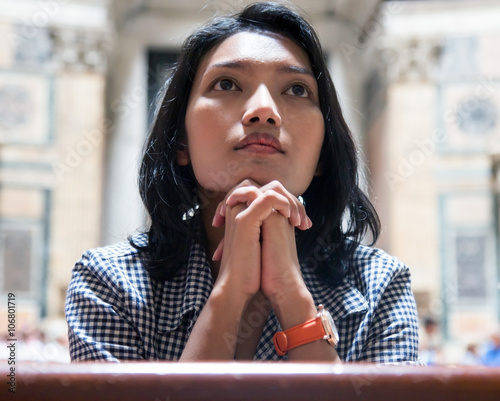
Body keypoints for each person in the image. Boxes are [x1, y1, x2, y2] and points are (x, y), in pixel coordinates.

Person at [65, 2, 419, 363]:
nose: (264, 110)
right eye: (227, 83)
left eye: (296, 90)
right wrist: (229, 293)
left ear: (323, 156)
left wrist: (292, 296)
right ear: (181, 143)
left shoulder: (380, 285)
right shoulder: (109, 283)